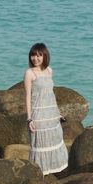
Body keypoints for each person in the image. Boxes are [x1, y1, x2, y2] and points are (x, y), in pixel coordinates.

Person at [24, 42, 68, 175]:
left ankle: (53, 174)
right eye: (33, 55)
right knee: (39, 146)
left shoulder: (49, 70)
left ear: (45, 56)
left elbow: (50, 94)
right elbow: (27, 97)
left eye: (39, 55)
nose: (35, 58)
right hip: (38, 115)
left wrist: (58, 114)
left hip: (51, 115)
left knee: (55, 141)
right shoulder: (29, 73)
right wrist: (29, 119)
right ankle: (39, 175)